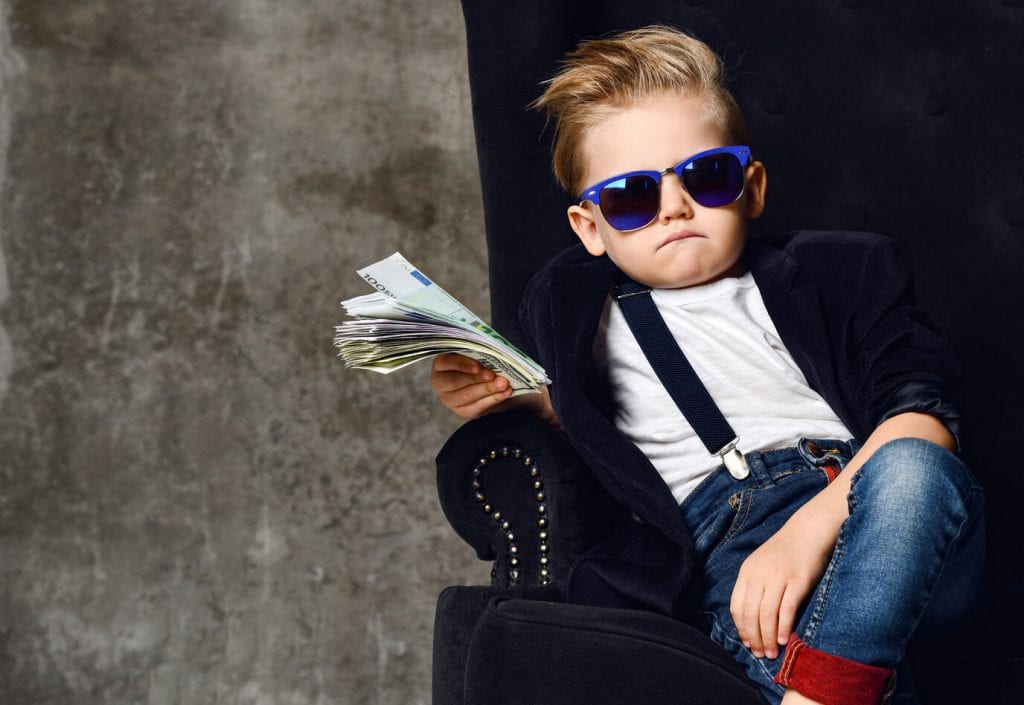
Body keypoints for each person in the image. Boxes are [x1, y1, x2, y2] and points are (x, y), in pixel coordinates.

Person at [431, 26, 983, 705]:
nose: (674, 208)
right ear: (590, 228)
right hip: (728, 558)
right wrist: (508, 394)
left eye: (707, 176)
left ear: (750, 187)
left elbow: (927, 421)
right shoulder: (578, 315)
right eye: (633, 197)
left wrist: (809, 530)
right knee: (798, 644)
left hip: (870, 508)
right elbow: (595, 418)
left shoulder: (842, 271)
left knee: (916, 469)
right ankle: (831, 681)